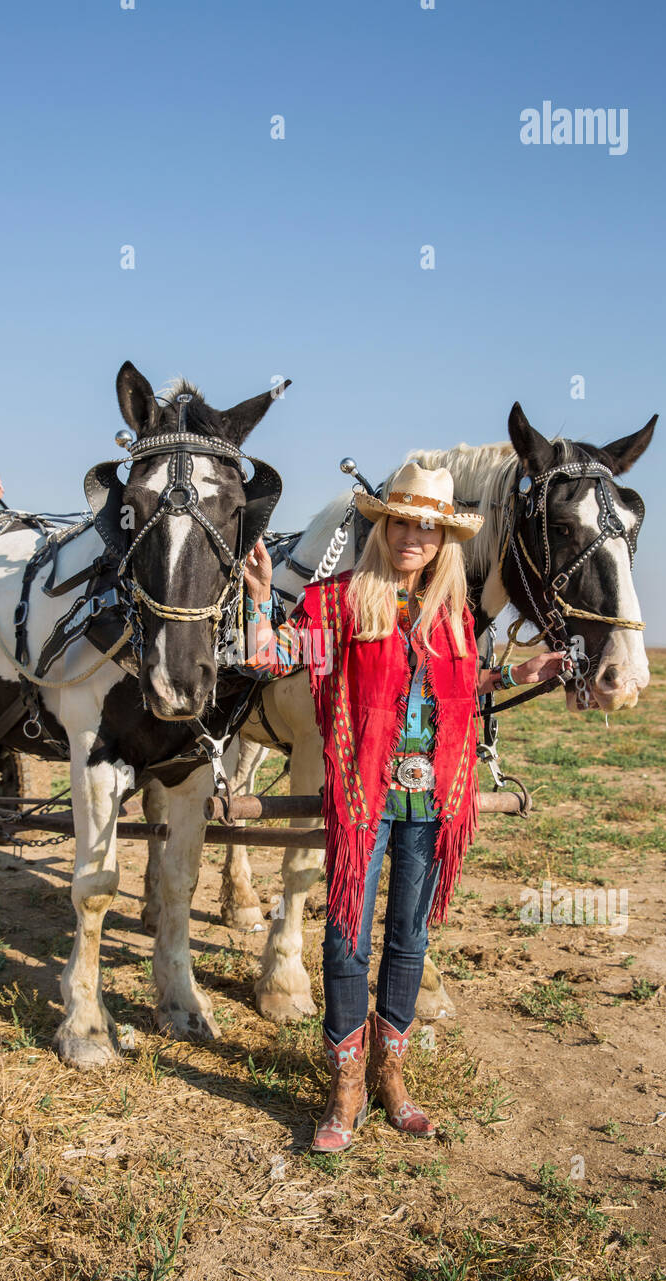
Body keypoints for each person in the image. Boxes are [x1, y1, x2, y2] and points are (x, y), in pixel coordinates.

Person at [243, 461, 570, 1152]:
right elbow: (273, 658)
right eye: (401, 522)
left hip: (433, 798)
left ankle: (392, 1074)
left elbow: (462, 685)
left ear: (443, 538)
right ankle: (346, 1082)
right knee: (345, 938)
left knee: (410, 939)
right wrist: (259, 599)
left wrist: (518, 672)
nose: (412, 536)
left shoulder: (451, 613)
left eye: (427, 525)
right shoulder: (339, 601)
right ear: (382, 527)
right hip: (365, 797)